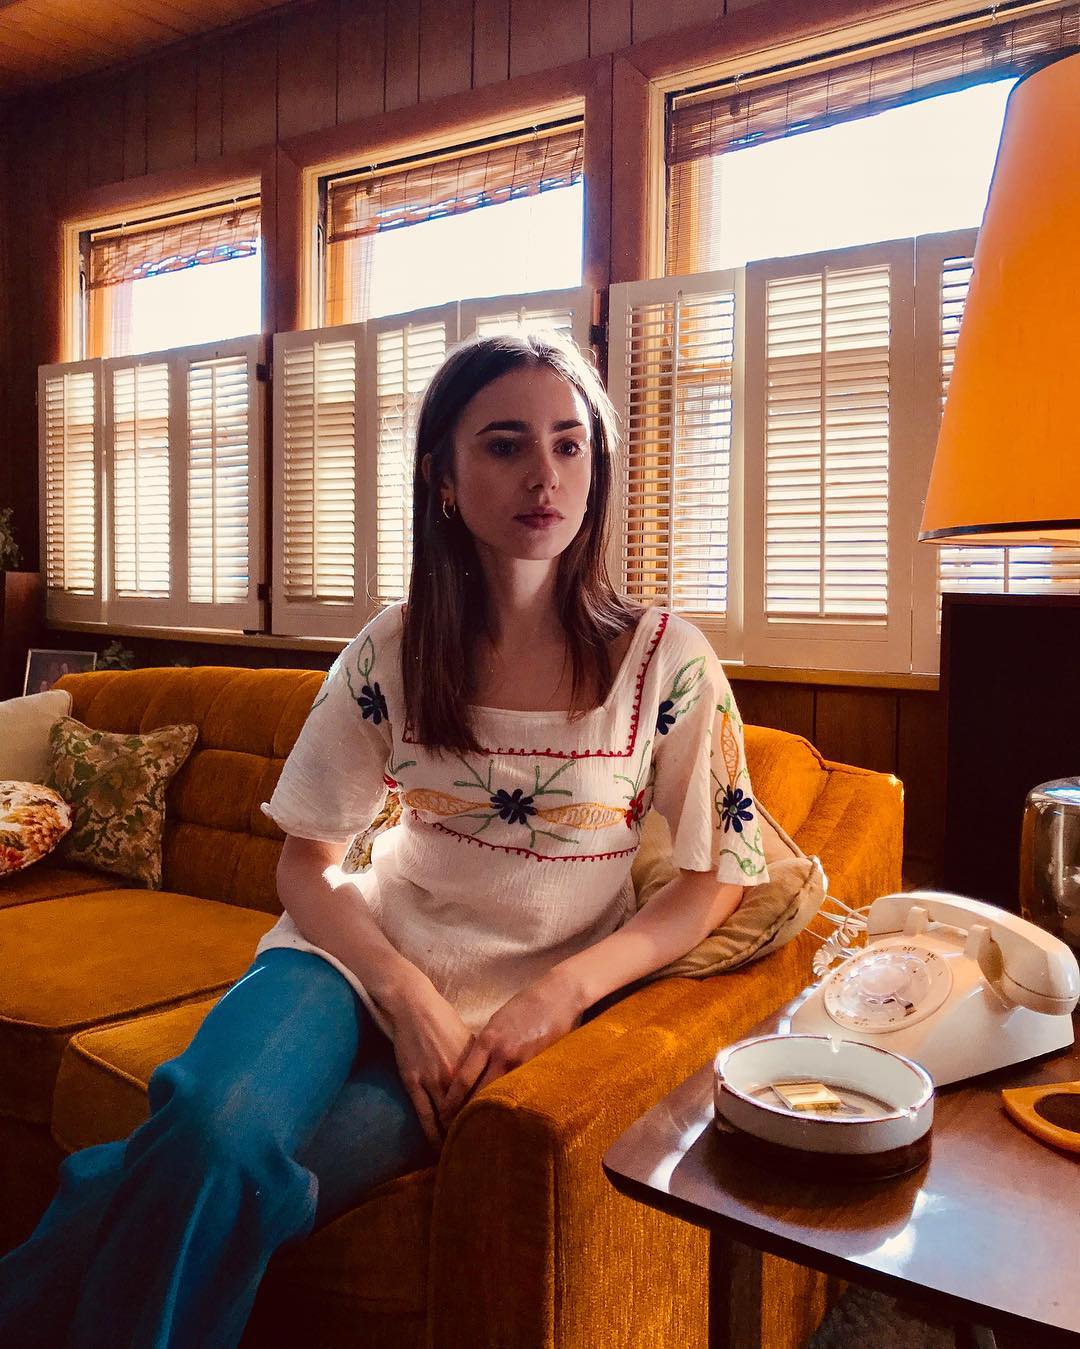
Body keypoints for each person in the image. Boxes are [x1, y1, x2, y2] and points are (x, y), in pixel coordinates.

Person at [0, 330, 769, 1348]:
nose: (545, 474)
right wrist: (403, 994)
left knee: (222, 1179)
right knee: (213, 1125)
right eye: (504, 444)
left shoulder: (668, 661)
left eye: (569, 443)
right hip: (343, 960)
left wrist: (565, 991)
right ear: (442, 476)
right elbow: (307, 863)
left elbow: (716, 879)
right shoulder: (392, 648)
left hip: (502, 1013)